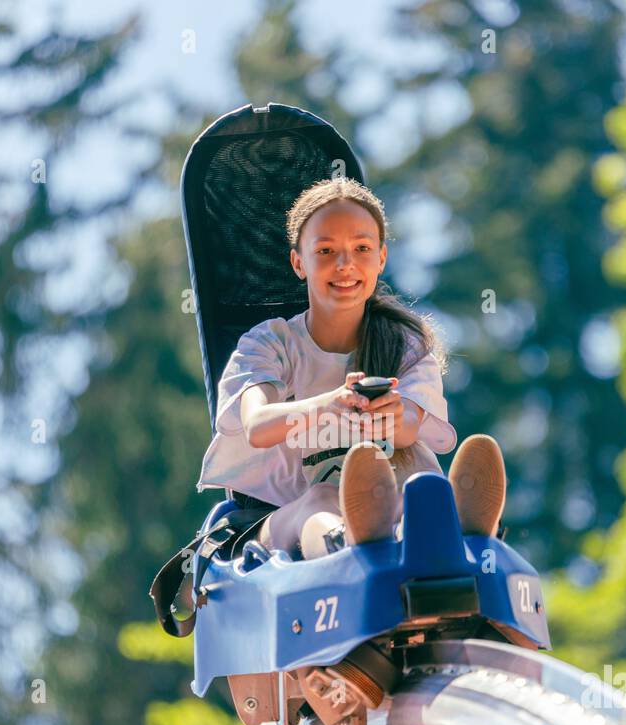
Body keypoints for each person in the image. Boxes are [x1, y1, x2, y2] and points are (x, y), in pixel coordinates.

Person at [197, 176, 507, 558]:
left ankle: (455, 529)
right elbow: (258, 425)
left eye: (361, 248)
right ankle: (349, 545)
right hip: (286, 521)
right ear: (299, 262)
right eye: (326, 251)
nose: (345, 265)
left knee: (414, 494)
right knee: (321, 499)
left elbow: (410, 425)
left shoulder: (405, 343)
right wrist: (329, 405)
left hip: (394, 504)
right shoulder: (268, 344)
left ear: (381, 258)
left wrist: (390, 413)